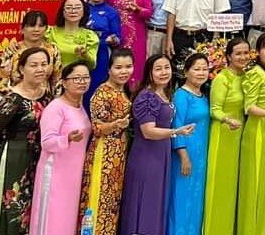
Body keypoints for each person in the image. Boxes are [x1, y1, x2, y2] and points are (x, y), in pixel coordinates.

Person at [0, 47, 52, 235]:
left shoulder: (48, 96)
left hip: (38, 157)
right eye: (33, 65)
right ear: (21, 69)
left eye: (44, 64)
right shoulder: (13, 100)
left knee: (32, 206)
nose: (40, 69)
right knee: (13, 206)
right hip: (13, 158)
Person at [120, 54, 195, 235]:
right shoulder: (146, 97)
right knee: (145, 201)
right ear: (149, 73)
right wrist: (176, 132)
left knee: (156, 201)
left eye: (167, 68)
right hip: (147, 157)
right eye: (158, 69)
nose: (164, 72)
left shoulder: (165, 94)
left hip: (161, 156)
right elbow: (148, 131)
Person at [29, 61, 91, 235]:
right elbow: (47, 142)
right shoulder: (56, 108)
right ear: (64, 82)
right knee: (52, 218)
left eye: (85, 77)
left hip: (74, 173)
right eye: (76, 78)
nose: (82, 82)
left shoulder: (80, 106)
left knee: (67, 219)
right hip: (56, 172)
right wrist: (67, 138)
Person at [77, 49, 133, 235]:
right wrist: (115, 125)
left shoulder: (123, 90)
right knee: (100, 196)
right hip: (105, 151)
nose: (124, 71)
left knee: (112, 200)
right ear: (109, 69)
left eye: (128, 66)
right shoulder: (102, 93)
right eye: (118, 67)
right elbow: (97, 128)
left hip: (118, 152)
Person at [203, 38, 249, 235]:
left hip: (240, 135)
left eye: (246, 53)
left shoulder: (247, 77)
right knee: (221, 185)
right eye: (238, 53)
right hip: (223, 133)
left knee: (234, 187)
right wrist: (227, 119)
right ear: (229, 56)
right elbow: (214, 109)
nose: (243, 57)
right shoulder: (222, 79)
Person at [238, 32, 265, 235]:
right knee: (255, 180)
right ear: (258, 52)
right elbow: (249, 106)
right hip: (258, 129)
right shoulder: (255, 73)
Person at [168, 54, 211, 235]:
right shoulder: (181, 95)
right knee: (181, 198)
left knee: (195, 200)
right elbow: (176, 125)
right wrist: (183, 155)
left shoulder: (203, 96)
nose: (201, 73)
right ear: (186, 72)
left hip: (201, 155)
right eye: (196, 69)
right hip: (185, 154)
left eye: (204, 69)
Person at [0, 11, 62, 96]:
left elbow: (57, 82)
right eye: (32, 25)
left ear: (46, 29)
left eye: (41, 26)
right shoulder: (12, 51)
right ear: (22, 28)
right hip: (18, 100)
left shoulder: (52, 50)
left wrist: (53, 101)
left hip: (45, 100)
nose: (36, 29)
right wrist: (20, 99)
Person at [109, 0, 153, 86]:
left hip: (137, 37)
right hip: (116, 35)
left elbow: (149, 12)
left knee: (135, 70)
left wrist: (138, 9)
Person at [85, 0, 121, 107]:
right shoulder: (79, 7)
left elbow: (118, 38)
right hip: (80, 54)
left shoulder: (111, 12)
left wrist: (112, 40)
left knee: (96, 89)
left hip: (101, 55)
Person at [47, 0, 99, 84]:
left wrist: (85, 55)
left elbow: (92, 65)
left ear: (83, 12)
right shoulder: (50, 32)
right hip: (51, 80)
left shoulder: (90, 36)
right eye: (69, 8)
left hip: (76, 81)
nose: (73, 11)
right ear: (63, 11)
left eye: (78, 8)